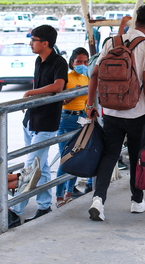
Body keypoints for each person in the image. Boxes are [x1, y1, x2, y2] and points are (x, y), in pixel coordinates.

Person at [85, 5, 145, 221]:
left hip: (110, 110)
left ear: (136, 22)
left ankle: (98, 200)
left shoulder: (111, 42)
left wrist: (91, 105)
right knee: (136, 156)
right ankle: (137, 201)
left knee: (110, 155)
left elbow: (94, 75)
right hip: (135, 112)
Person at [9, 25, 68, 228]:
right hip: (31, 120)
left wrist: (29, 94)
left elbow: (58, 86)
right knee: (40, 166)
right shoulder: (38, 60)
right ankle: (44, 206)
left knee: (30, 167)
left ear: (45, 42)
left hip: (46, 123)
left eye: (33, 40)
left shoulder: (59, 62)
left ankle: (16, 211)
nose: (31, 43)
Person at [55, 47, 90, 208]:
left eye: (85, 62)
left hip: (81, 118)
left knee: (77, 157)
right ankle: (59, 196)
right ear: (72, 62)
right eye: (78, 62)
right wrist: (71, 95)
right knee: (65, 159)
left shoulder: (88, 78)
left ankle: (69, 193)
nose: (82, 64)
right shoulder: (66, 78)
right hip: (66, 118)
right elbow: (58, 101)